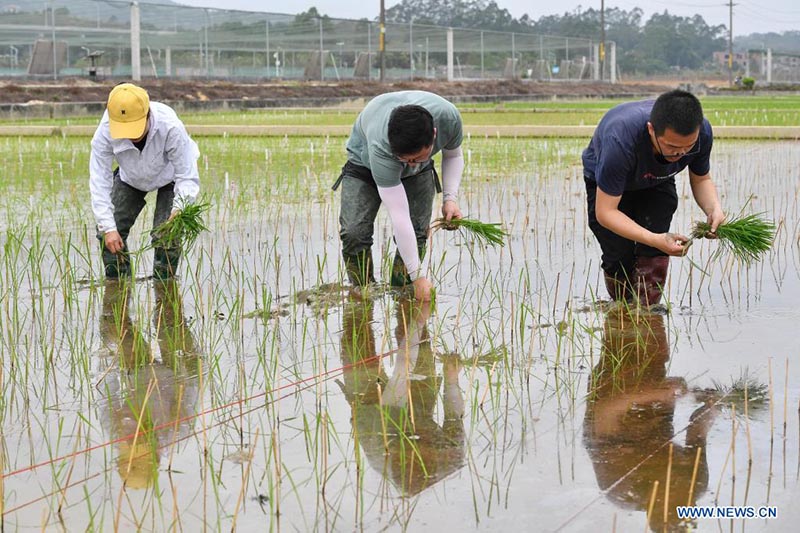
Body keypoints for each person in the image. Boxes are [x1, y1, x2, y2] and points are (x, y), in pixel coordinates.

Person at [582, 89, 725, 305]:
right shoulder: (620, 139)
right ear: (651, 130)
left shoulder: (702, 133)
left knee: (654, 250)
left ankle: (647, 311)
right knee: (618, 253)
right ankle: (622, 311)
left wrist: (713, 209)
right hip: (608, 184)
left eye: (689, 147)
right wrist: (655, 238)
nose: (681, 154)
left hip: (657, 178)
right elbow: (606, 212)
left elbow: (701, 179)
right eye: (672, 147)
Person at [583, 308, 717, 530]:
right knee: (652, 343)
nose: (680, 484)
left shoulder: (620, 484)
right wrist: (713, 407)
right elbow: (697, 432)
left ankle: (631, 301)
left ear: (654, 502)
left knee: (626, 344)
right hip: (652, 416)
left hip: (612, 391)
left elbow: (604, 410)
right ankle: (635, 298)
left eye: (677, 494)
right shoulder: (696, 484)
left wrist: (657, 393)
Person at [333, 91, 465, 301]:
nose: (409, 165)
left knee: (417, 231)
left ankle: (401, 295)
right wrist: (419, 277)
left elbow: (453, 155)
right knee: (354, 233)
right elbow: (399, 216)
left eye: (417, 158)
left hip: (419, 174)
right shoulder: (381, 146)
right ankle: (363, 293)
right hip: (364, 165)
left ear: (433, 134)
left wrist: (450, 199)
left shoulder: (448, 118)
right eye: (406, 160)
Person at [90, 83, 200, 280]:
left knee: (167, 235)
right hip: (130, 177)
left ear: (147, 115)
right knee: (107, 234)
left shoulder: (170, 127)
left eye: (135, 129)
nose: (130, 136)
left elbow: (187, 175)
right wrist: (108, 228)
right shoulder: (105, 131)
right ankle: (119, 288)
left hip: (170, 177)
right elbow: (99, 179)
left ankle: (165, 287)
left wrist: (179, 208)